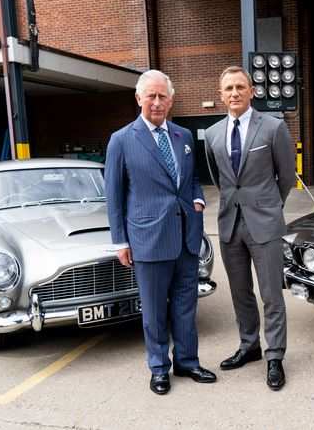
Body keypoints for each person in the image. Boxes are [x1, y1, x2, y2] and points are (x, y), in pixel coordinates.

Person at [105, 69, 216, 395]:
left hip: (186, 236)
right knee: (154, 310)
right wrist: (120, 241)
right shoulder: (122, 140)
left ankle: (187, 362)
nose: (156, 102)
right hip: (148, 239)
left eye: (162, 96)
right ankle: (159, 368)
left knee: (186, 304)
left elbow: (192, 178)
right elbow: (113, 195)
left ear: (171, 99)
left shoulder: (182, 136)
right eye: (150, 96)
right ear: (139, 99)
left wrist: (197, 198)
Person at [204, 66, 295, 391]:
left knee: (271, 294)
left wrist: (270, 208)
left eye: (240, 87)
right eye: (228, 88)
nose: (234, 93)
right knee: (240, 292)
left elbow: (286, 178)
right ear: (221, 94)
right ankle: (249, 346)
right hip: (229, 224)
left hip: (265, 223)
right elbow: (220, 180)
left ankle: (274, 356)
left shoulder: (273, 128)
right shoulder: (213, 134)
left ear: (251, 91)